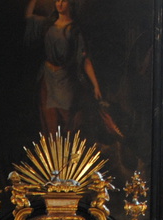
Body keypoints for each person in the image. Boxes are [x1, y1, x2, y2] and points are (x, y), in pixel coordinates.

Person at [23, 0, 106, 137]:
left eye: (64, 1)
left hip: (66, 81)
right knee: (50, 125)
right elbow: (28, 16)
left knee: (68, 124)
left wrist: (96, 85)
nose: (60, 4)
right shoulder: (48, 24)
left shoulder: (75, 30)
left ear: (70, 4)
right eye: (57, 0)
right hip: (48, 79)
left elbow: (85, 60)